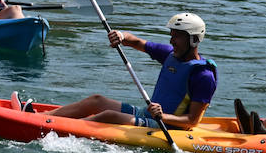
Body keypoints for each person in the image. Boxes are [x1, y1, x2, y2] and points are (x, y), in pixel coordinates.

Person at [13, 13, 216, 130]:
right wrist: (120, 36)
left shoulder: (203, 76)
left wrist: (163, 117)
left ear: (194, 40)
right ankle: (38, 118)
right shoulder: (170, 54)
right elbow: (136, 41)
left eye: (177, 36)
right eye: (171, 35)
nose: (172, 40)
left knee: (109, 115)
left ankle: (52, 131)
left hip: (166, 125)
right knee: (96, 100)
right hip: (148, 114)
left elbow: (192, 122)